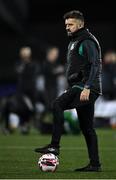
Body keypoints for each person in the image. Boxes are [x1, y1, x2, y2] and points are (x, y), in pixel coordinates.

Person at [34, 10, 102, 172]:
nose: (67, 27)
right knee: (87, 128)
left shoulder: (86, 41)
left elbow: (94, 65)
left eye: (70, 24)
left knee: (57, 104)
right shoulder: (75, 40)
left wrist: (86, 87)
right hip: (79, 86)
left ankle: (54, 146)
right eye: (66, 25)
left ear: (81, 24)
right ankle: (95, 164)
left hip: (85, 87)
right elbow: (81, 66)